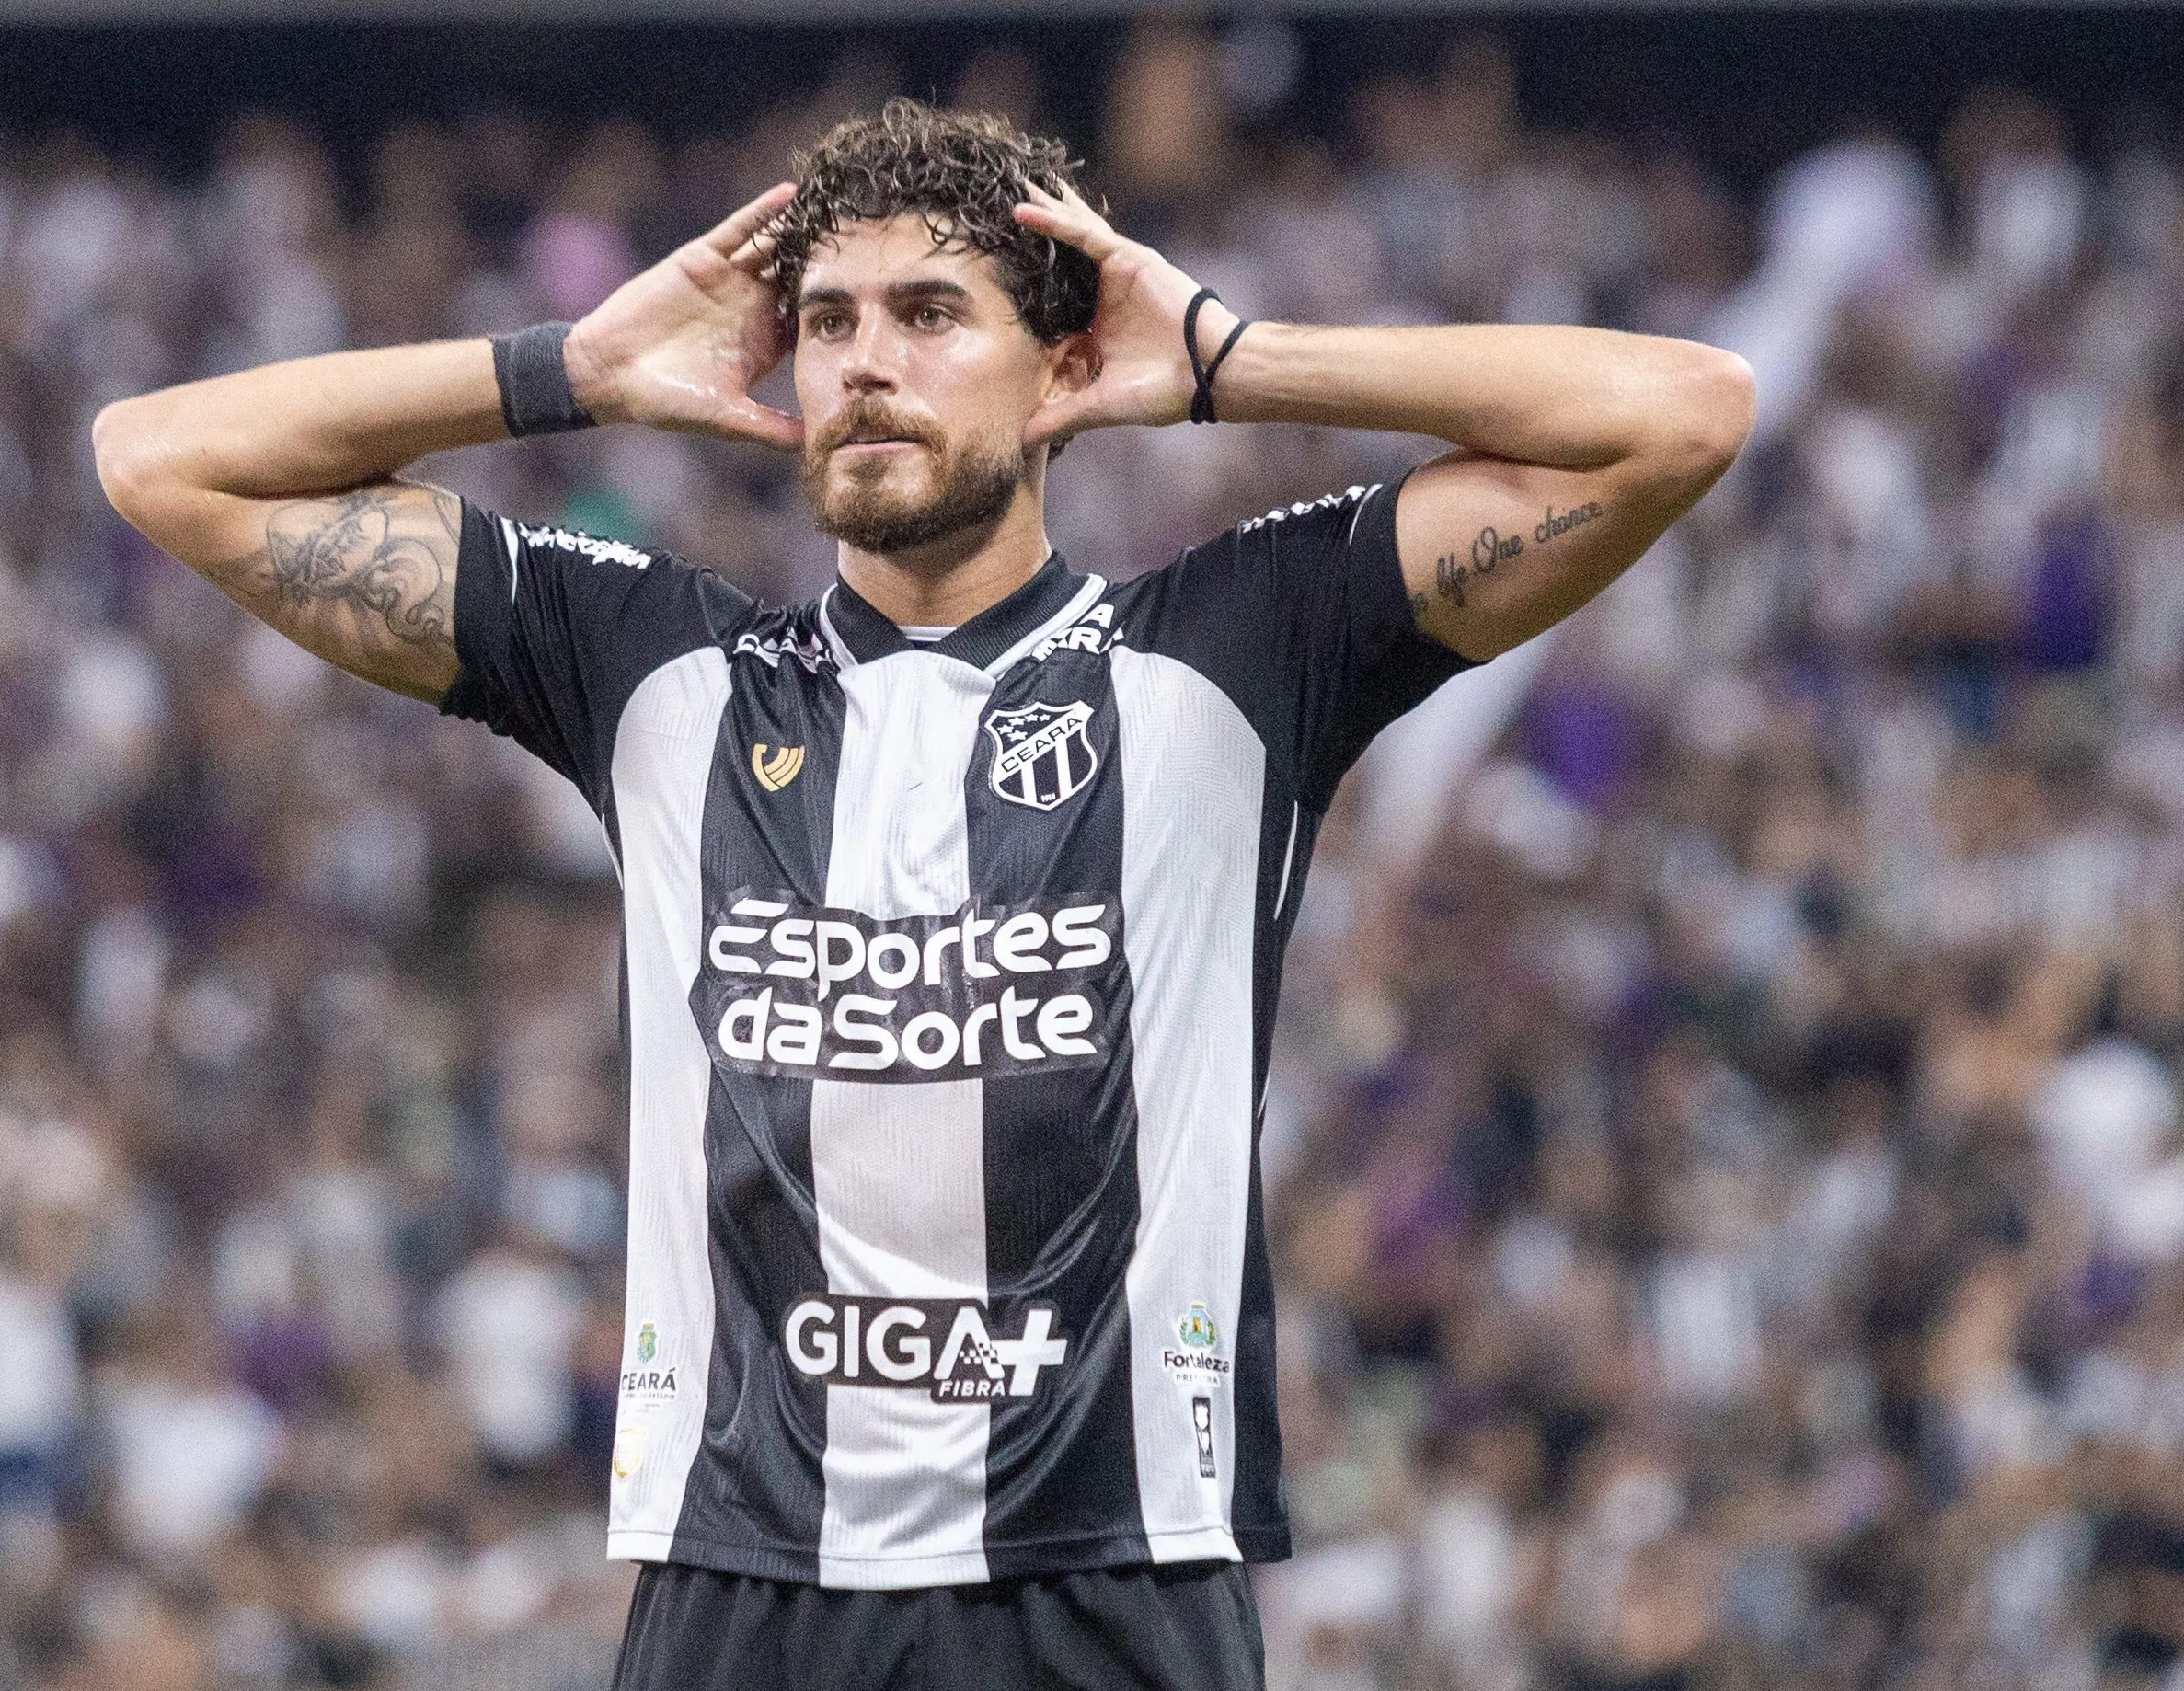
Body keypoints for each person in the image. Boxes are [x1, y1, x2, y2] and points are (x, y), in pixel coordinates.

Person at [93, 99, 1752, 1691]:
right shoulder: (658, 667)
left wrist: (1241, 362)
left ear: (1065, 359)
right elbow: (160, 457)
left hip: (1111, 1580)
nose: (867, 360)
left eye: (934, 311)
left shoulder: (1237, 649)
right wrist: (570, 370)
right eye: (827, 320)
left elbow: (1684, 414)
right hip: (745, 1583)